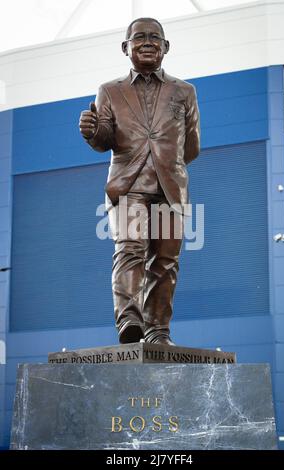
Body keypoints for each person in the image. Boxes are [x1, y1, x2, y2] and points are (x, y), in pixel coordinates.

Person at [79, 17, 200, 345]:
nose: (147, 43)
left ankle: (158, 331)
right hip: (128, 186)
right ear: (125, 47)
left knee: (165, 261)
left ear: (166, 47)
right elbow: (104, 138)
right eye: (139, 38)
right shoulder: (110, 90)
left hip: (169, 187)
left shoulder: (185, 91)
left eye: (155, 38)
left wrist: (166, 164)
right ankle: (130, 318)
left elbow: (191, 146)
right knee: (130, 249)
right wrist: (92, 131)